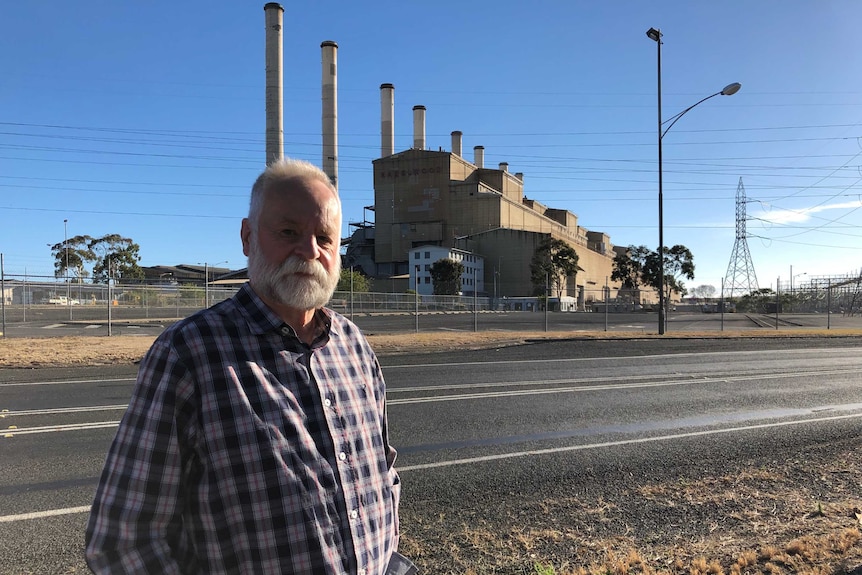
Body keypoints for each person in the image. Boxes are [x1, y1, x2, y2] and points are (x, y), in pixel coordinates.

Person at [86, 158, 412, 574]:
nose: (310, 251)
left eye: (325, 238)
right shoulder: (189, 354)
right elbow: (122, 544)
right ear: (247, 236)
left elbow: (383, 472)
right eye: (289, 232)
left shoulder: (354, 347)